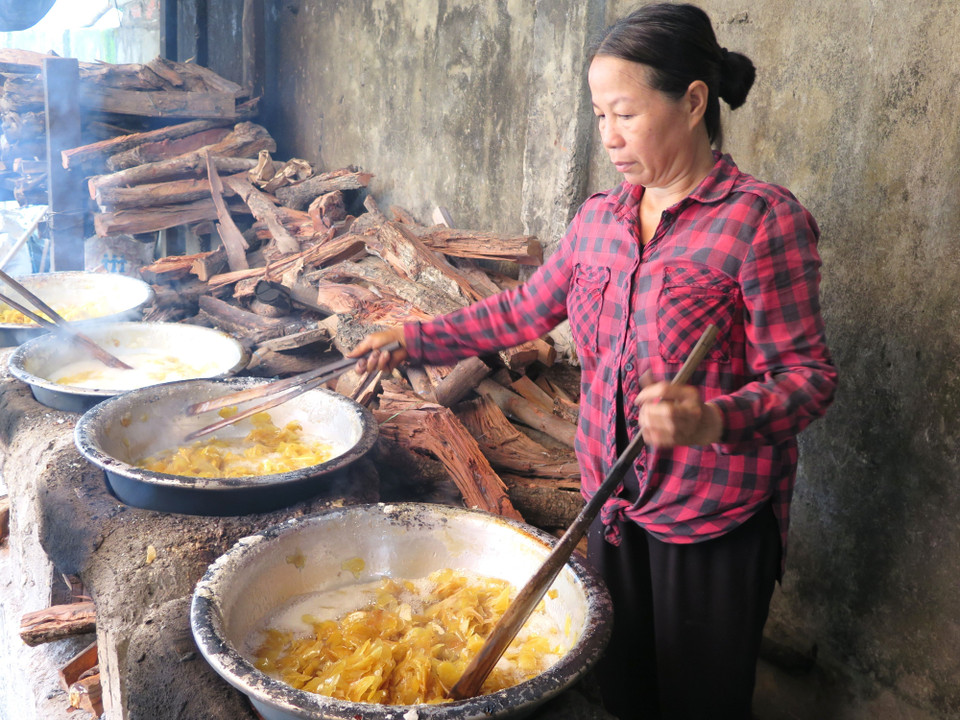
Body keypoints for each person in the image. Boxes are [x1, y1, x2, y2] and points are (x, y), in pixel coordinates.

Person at [349, 4, 837, 718]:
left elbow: (809, 379)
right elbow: (520, 312)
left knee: (701, 702)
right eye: (598, 114)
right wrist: (415, 339)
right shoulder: (599, 221)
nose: (608, 136)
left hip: (712, 520)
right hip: (612, 505)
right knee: (622, 689)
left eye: (625, 113)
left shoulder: (761, 221)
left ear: (693, 101)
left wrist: (713, 419)